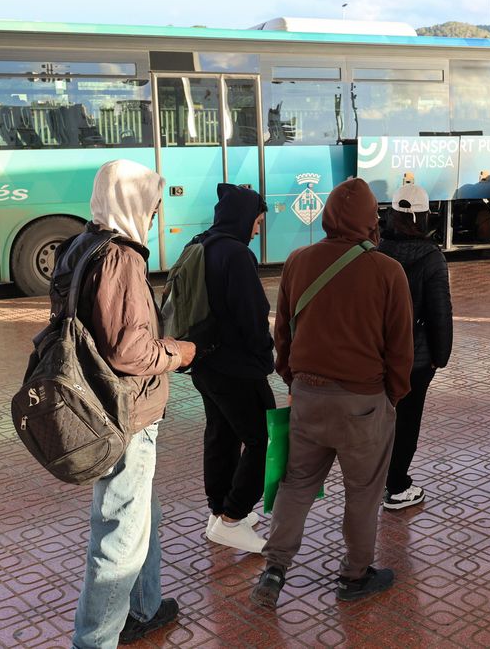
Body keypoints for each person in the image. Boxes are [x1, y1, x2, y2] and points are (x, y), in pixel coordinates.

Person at [251, 178, 413, 608]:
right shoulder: (387, 270)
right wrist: (392, 396)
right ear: (370, 221)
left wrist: (293, 379)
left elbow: (282, 330)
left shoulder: (298, 261)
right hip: (363, 401)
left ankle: (274, 569)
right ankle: (354, 577)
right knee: (363, 492)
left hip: (308, 395)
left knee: (297, 484)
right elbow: (400, 347)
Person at [58, 160, 197, 648]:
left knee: (141, 514)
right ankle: (94, 641)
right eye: (153, 205)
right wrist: (179, 352)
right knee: (119, 536)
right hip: (125, 413)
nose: (156, 215)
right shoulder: (121, 258)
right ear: (132, 203)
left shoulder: (82, 246)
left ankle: (146, 606)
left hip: (99, 405)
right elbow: (129, 350)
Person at [192, 184, 275, 553]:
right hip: (238, 368)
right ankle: (233, 517)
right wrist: (265, 356)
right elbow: (252, 316)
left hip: (204, 362)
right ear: (244, 218)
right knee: (264, 439)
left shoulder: (200, 244)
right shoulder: (237, 255)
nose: (257, 230)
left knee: (221, 433)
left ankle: (218, 510)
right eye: (257, 222)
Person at [376, 184, 453, 510]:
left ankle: (374, 480)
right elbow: (440, 312)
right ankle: (397, 486)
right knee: (407, 421)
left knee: (378, 419)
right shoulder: (431, 256)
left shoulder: (376, 248)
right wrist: (440, 356)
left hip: (376, 352)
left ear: (392, 214)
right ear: (423, 218)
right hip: (416, 358)